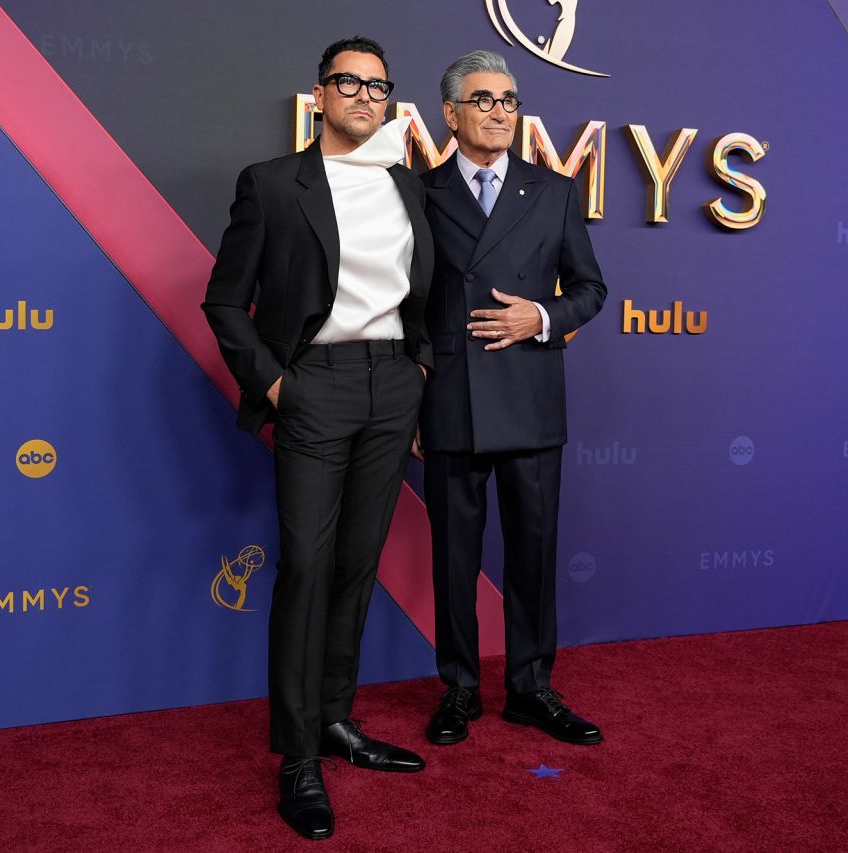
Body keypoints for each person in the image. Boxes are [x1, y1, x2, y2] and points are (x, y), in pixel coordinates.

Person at [201, 36, 433, 841]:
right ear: (320, 94)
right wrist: (274, 382)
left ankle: (337, 720)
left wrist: (422, 374)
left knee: (357, 563)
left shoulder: (407, 184)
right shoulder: (272, 184)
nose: (367, 97)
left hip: (391, 385)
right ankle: (296, 755)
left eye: (380, 86)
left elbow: (427, 295)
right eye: (350, 82)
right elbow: (226, 302)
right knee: (304, 566)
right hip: (315, 385)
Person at [418, 50, 607, 748]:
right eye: (484, 99)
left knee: (533, 552)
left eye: (509, 99)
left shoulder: (553, 190)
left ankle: (531, 687)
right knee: (454, 559)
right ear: (451, 112)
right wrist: (413, 399)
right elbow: (408, 305)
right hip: (451, 401)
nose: (500, 111)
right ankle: (459, 687)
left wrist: (544, 316)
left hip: (529, 396)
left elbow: (591, 288)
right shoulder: (419, 192)